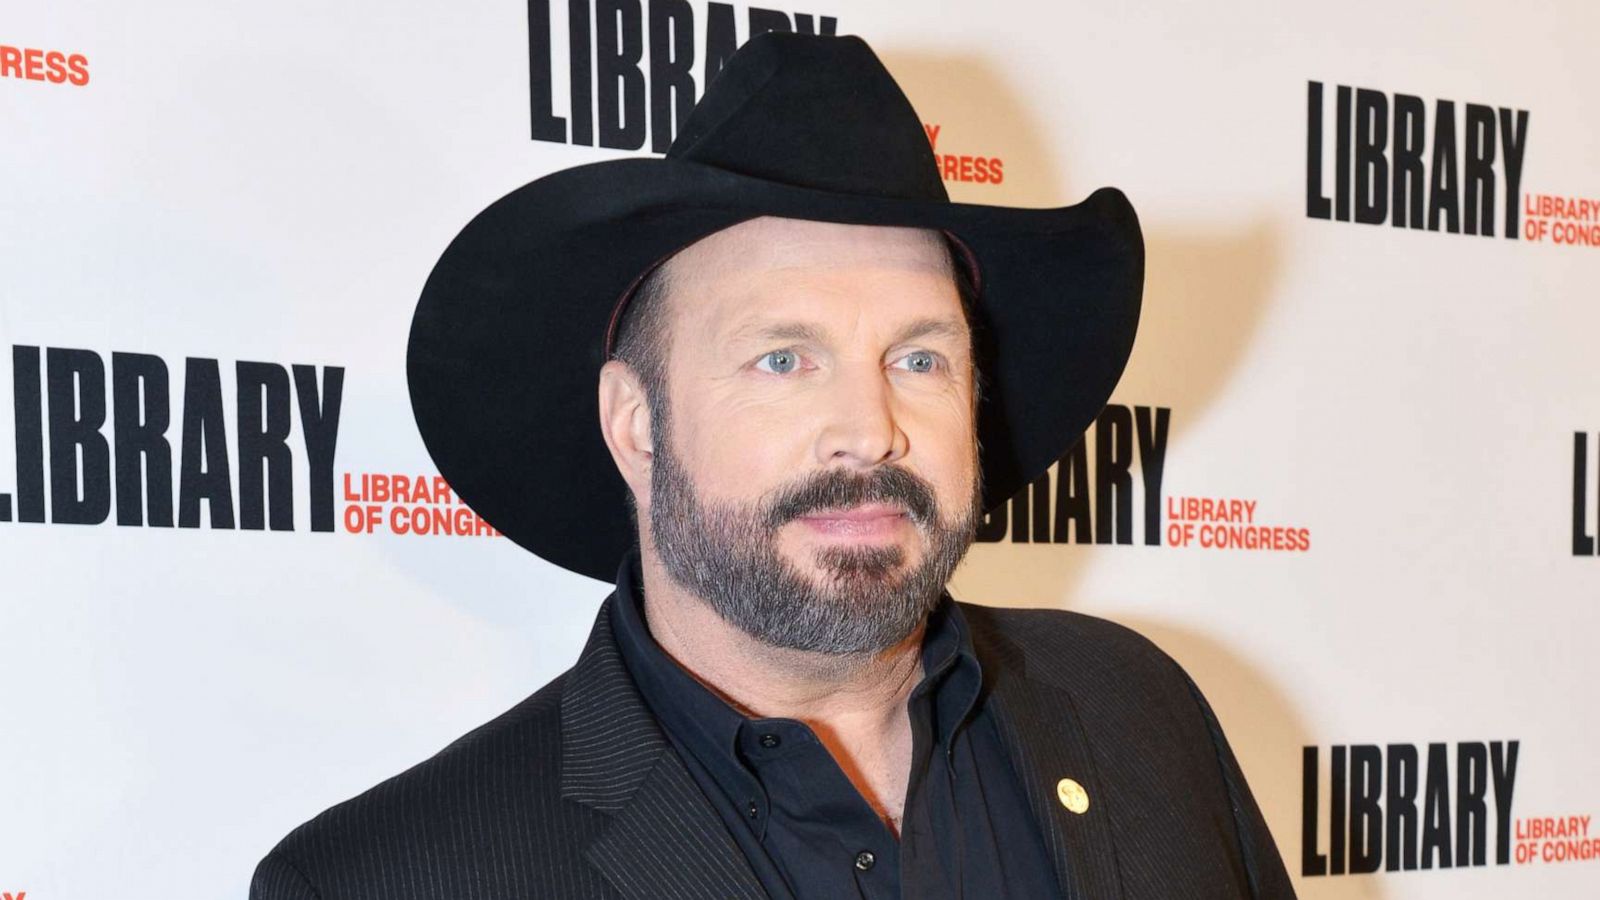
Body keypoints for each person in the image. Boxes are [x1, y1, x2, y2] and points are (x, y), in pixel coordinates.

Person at [252, 32, 1294, 900]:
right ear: (636, 422)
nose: (868, 428)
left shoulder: (1139, 712)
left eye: (918, 357)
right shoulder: (387, 880)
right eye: (784, 359)